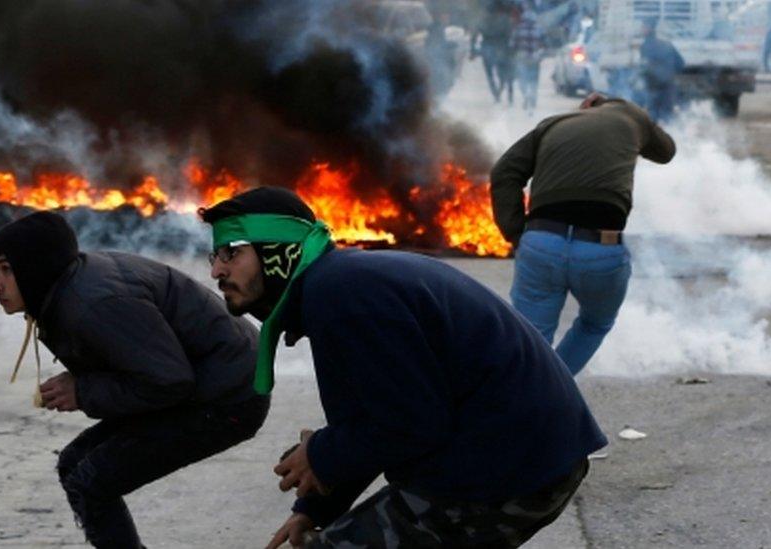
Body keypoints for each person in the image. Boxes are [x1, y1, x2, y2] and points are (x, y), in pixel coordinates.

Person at [198, 187, 607, 548]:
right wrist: (315, 508)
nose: (217, 270)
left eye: (232, 252)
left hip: (511, 466)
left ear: (277, 252)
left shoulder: (341, 296)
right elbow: (370, 420)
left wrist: (321, 454)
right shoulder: (337, 286)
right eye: (215, 256)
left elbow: (412, 424)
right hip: (522, 453)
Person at [0, 211, 267, 548]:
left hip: (228, 396)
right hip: (206, 381)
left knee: (93, 481)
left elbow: (170, 381)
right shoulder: (64, 289)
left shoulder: (94, 304)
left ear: (36, 267)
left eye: (6, 270)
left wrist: (83, 390)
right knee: (75, 464)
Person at [489, 93, 676, 375]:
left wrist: (517, 234)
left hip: (542, 241)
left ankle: (523, 396)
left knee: (531, 338)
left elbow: (503, 172)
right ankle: (556, 387)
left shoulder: (552, 124)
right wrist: (644, 122)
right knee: (594, 324)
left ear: (586, 105)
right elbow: (666, 152)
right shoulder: (631, 115)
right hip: (600, 249)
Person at [639, 18, 685, 122]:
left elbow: (644, 67)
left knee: (653, 119)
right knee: (668, 118)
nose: (641, 29)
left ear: (649, 29)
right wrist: (670, 75)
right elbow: (681, 63)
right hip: (669, 86)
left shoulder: (645, 46)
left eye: (643, 27)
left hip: (654, 88)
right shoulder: (667, 44)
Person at [470, 0, 515, 104]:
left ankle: (496, 94)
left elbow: (474, 35)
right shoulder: (505, 19)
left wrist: (472, 50)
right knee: (503, 74)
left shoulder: (483, 19)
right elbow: (511, 35)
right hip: (501, 47)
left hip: (489, 47)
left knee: (490, 75)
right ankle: (500, 92)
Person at [511, 0, 546, 111]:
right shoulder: (539, 29)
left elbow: (512, 44)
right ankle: (533, 99)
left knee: (523, 79)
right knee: (534, 80)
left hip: (522, 58)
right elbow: (544, 43)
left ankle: (525, 94)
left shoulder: (518, 28)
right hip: (535, 58)